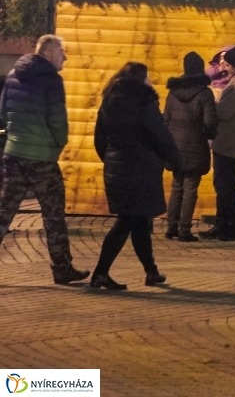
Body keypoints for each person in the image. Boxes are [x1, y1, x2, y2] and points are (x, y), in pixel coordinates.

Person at [0, 35, 89, 286]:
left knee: (4, 213)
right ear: (49, 53)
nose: (65, 56)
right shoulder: (52, 81)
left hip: (13, 154)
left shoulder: (13, 76)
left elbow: (3, 112)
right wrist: (57, 145)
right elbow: (57, 120)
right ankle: (62, 268)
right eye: (62, 51)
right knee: (53, 215)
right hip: (42, 159)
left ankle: (63, 268)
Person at [91, 61, 183, 290]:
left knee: (139, 220)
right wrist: (176, 160)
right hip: (140, 169)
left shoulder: (108, 101)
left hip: (118, 168)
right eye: (148, 77)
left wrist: (112, 160)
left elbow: (99, 139)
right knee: (127, 222)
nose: (150, 81)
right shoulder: (144, 102)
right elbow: (160, 134)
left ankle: (151, 272)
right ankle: (100, 273)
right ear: (140, 80)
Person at [199, 44, 235, 241]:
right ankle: (223, 223)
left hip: (228, 138)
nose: (225, 69)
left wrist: (211, 102)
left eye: (228, 65)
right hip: (226, 138)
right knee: (222, 183)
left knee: (225, 185)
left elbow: (223, 112)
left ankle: (230, 226)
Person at [164, 51, 219, 242]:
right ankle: (185, 230)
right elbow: (210, 121)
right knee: (190, 188)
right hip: (196, 143)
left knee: (176, 186)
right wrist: (210, 135)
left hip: (175, 145)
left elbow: (166, 118)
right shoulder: (204, 93)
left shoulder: (173, 92)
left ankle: (171, 227)